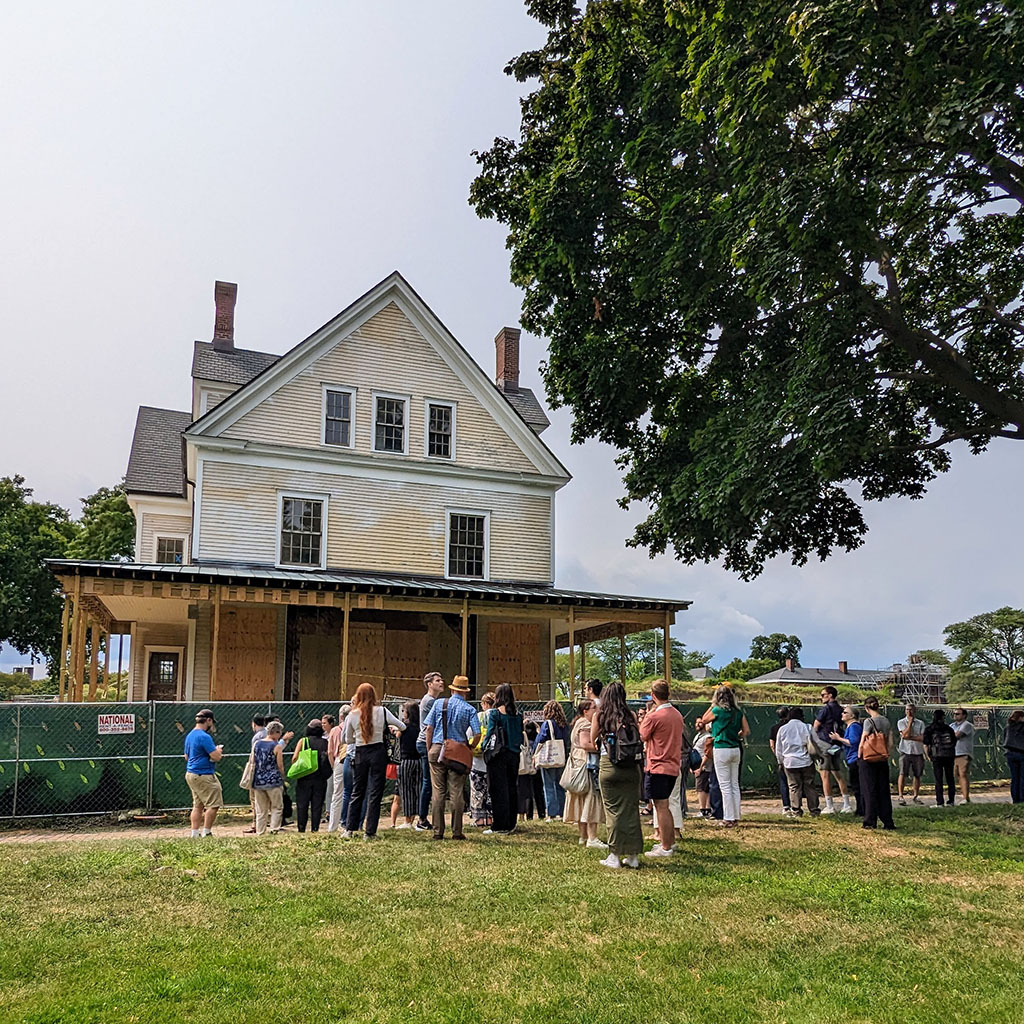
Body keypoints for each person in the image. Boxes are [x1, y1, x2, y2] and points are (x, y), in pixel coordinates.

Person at [341, 683, 406, 840]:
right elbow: (402, 726)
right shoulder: (382, 711)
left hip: (360, 752)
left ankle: (349, 829)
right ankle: (370, 832)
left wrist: (358, 736)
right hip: (378, 752)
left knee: (357, 791)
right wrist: (391, 729)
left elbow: (346, 739)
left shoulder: (352, 715)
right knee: (375, 793)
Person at [423, 675, 481, 840]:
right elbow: (477, 733)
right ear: (465, 692)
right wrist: (469, 746)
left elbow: (429, 728)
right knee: (456, 792)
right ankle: (456, 831)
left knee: (438, 792)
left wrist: (430, 749)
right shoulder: (469, 709)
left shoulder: (439, 703)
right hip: (458, 752)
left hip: (437, 747)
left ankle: (437, 831)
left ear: (452, 689)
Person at [595, 682, 643, 868]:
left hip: (609, 766)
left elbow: (592, 739)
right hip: (631, 768)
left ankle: (614, 855)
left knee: (613, 811)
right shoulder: (631, 715)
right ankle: (633, 856)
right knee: (631, 810)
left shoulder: (601, 716)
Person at [639, 679, 684, 857]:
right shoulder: (677, 715)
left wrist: (648, 714)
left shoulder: (654, 716)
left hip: (658, 765)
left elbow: (643, 735)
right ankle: (669, 841)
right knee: (666, 805)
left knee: (661, 806)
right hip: (673, 764)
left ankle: (665, 846)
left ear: (654, 695)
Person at [697, 685, 749, 826]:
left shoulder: (717, 710)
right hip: (735, 748)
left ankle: (728, 818)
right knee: (734, 785)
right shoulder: (738, 712)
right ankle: (736, 815)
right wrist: (736, 734)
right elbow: (746, 731)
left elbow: (704, 719)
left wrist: (712, 704)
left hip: (721, 748)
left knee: (724, 785)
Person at [564, 700, 607, 849]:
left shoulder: (578, 723)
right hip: (586, 765)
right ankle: (592, 837)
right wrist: (602, 747)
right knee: (591, 798)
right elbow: (585, 744)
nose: (596, 710)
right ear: (585, 711)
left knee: (580, 801)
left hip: (577, 762)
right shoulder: (585, 725)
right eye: (593, 708)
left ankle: (583, 836)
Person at [484, 683, 524, 835]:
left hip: (499, 754)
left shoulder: (495, 713)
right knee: (512, 787)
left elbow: (489, 733)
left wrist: (483, 746)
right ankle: (511, 823)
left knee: (498, 789)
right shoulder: (518, 715)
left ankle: (499, 825)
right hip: (514, 754)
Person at [184, 708, 224, 838]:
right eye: (211, 722)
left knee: (198, 805)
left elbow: (186, 756)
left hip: (191, 773)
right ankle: (207, 832)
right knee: (213, 804)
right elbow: (216, 756)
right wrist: (218, 750)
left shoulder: (190, 735)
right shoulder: (204, 736)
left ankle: (194, 833)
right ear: (208, 720)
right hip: (204, 774)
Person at [858, 696, 896, 830]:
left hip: (869, 758)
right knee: (883, 790)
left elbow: (863, 740)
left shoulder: (868, 722)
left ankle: (870, 820)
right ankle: (887, 821)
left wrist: (859, 755)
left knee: (869, 789)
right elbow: (890, 742)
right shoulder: (886, 721)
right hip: (882, 757)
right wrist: (886, 752)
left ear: (866, 708)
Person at [774, 707, 820, 816]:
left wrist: (780, 762)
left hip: (789, 761)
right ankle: (814, 810)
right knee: (809, 785)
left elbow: (778, 748)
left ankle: (796, 810)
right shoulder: (807, 727)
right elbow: (815, 743)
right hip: (806, 760)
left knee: (794, 787)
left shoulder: (783, 729)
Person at [415, 671, 445, 831]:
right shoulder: (430, 702)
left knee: (429, 782)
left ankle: (424, 817)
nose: (441, 682)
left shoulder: (432, 701)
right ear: (429, 684)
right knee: (428, 782)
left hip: (428, 742)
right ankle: (421, 818)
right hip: (426, 742)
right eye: (438, 680)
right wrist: (429, 749)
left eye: (441, 680)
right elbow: (430, 727)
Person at [815, 686, 852, 814]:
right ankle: (846, 804)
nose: (821, 697)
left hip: (825, 744)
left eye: (823, 694)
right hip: (837, 744)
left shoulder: (826, 709)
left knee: (825, 775)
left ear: (830, 695)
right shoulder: (840, 710)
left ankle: (829, 806)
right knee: (838, 774)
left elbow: (815, 726)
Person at [291, 719, 331, 832]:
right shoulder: (325, 742)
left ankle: (302, 828)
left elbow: (294, 758)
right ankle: (315, 828)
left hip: (304, 777)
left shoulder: (303, 741)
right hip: (320, 777)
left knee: (302, 804)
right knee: (317, 804)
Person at [534, 700, 569, 821]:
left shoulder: (547, 723)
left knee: (548, 785)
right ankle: (562, 811)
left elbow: (541, 739)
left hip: (548, 757)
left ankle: (552, 813)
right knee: (559, 785)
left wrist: (535, 752)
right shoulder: (564, 725)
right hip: (560, 756)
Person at [252, 721, 286, 835]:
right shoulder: (277, 746)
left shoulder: (257, 744)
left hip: (258, 780)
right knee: (277, 806)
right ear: (276, 733)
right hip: (273, 780)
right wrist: (283, 775)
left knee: (261, 809)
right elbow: (280, 765)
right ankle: (274, 829)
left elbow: (253, 761)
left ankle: (260, 831)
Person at [830, 706, 864, 816]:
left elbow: (853, 742)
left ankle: (861, 809)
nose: (842, 714)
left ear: (852, 715)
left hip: (855, 758)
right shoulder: (850, 727)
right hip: (852, 757)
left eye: (845, 712)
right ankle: (861, 808)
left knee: (857, 786)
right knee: (857, 786)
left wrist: (838, 738)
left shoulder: (854, 727)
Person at [394, 701, 422, 829]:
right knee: (417, 790)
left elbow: (398, 735)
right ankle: (417, 818)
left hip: (405, 760)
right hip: (418, 760)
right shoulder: (419, 726)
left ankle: (407, 821)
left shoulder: (404, 726)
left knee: (406, 791)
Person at [469, 693, 495, 828]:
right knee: (491, 792)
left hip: (478, 759)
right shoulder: (498, 716)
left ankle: (479, 820)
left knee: (477, 791)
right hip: (493, 760)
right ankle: (490, 818)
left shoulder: (479, 716)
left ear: (484, 704)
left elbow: (469, 733)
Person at [923, 709, 957, 807]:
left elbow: (926, 744)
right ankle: (951, 801)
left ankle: (940, 802)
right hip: (949, 755)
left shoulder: (930, 729)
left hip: (937, 756)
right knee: (950, 778)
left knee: (938, 780)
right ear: (943, 717)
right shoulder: (948, 729)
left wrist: (928, 755)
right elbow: (954, 742)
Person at [326, 704, 350, 833]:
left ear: (341, 716)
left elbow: (330, 751)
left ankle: (333, 826)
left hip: (338, 761)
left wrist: (333, 765)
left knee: (337, 794)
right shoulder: (353, 726)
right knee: (351, 792)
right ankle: (347, 822)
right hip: (351, 759)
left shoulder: (335, 730)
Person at [897, 703, 926, 806]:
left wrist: (910, 737)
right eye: (907, 710)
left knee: (917, 774)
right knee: (902, 773)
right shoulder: (901, 722)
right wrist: (909, 723)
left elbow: (922, 738)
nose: (909, 712)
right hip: (905, 751)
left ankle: (916, 796)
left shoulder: (920, 723)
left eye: (911, 710)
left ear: (915, 711)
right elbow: (904, 735)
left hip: (917, 751)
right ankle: (900, 796)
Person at [769, 707, 792, 814]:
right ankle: (796, 804)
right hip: (793, 757)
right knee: (795, 783)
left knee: (783, 782)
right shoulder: (791, 727)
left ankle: (786, 805)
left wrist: (778, 757)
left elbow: (772, 744)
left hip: (782, 758)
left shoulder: (775, 728)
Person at [951, 708, 975, 804]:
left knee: (963, 774)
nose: (955, 715)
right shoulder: (952, 725)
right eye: (955, 714)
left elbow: (957, 735)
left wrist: (949, 735)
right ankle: (963, 796)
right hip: (953, 753)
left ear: (964, 715)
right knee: (957, 775)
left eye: (958, 714)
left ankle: (966, 797)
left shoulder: (967, 725)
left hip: (963, 753)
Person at [691, 720, 713, 817]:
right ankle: (706, 808)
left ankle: (704, 809)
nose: (697, 724)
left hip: (704, 766)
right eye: (696, 722)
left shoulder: (707, 737)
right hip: (696, 764)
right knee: (702, 787)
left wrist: (701, 767)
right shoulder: (698, 736)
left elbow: (707, 753)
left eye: (700, 722)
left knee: (702, 788)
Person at [1002, 709, 1024, 804]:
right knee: (1022, 777)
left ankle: (1015, 799)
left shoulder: (1008, 727)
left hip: (1010, 753)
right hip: (1022, 753)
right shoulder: (1022, 727)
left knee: (1015, 777)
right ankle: (1022, 798)